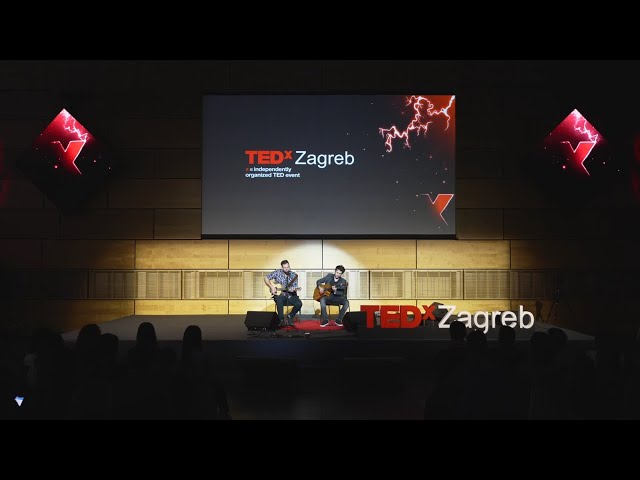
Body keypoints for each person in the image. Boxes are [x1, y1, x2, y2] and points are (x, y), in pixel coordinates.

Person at [264, 260, 303, 327]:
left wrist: (293, 289)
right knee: (279, 299)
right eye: (285, 267)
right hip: (280, 295)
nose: (287, 269)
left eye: (288, 267)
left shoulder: (294, 275)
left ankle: (290, 316)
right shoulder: (277, 272)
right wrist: (272, 287)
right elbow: (266, 278)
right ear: (282, 268)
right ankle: (281, 319)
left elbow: (295, 287)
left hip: (290, 295)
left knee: (299, 304)